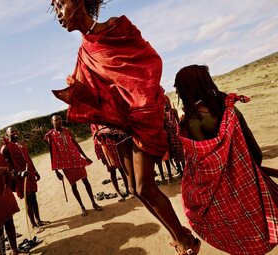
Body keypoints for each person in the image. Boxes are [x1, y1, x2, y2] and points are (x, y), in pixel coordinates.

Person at [49, 1, 200, 254]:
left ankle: (186, 240)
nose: (58, 14)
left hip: (143, 114)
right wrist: (79, 91)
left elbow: (149, 63)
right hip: (124, 123)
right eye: (54, 9)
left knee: (144, 187)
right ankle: (180, 235)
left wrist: (140, 101)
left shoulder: (118, 28)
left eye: (60, 4)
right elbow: (101, 96)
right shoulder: (84, 51)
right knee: (135, 189)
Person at [174, 65, 278, 255]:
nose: (178, 93)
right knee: (252, 229)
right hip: (246, 183)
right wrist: (249, 172)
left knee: (233, 235)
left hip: (217, 193)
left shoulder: (191, 122)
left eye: (178, 90)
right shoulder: (231, 112)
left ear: (187, 90)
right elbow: (256, 152)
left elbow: (201, 165)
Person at [45, 115, 102, 216]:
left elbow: (76, 144)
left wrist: (85, 156)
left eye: (59, 119)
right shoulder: (50, 135)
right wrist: (56, 170)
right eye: (55, 120)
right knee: (73, 185)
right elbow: (52, 153)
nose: (58, 121)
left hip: (76, 158)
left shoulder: (67, 130)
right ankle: (82, 206)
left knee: (85, 180)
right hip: (66, 163)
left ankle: (93, 202)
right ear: (52, 122)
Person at [1, 126, 51, 231]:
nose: (14, 132)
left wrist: (35, 171)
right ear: (7, 135)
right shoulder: (5, 148)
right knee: (28, 200)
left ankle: (39, 220)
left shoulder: (22, 144)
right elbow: (7, 166)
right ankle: (33, 224)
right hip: (20, 177)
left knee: (34, 198)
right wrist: (18, 174)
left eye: (15, 130)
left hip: (30, 173)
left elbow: (28, 158)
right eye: (11, 131)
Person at [91, 124, 131, 201]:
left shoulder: (107, 118)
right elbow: (95, 140)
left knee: (122, 169)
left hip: (116, 147)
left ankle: (127, 189)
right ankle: (118, 192)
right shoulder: (94, 124)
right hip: (107, 151)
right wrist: (101, 156)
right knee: (112, 172)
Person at [164, 95, 185, 177]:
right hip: (169, 137)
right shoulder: (162, 115)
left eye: (166, 102)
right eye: (164, 103)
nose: (166, 104)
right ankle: (180, 170)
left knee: (180, 153)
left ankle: (184, 169)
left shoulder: (174, 111)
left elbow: (178, 122)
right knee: (174, 154)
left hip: (176, 135)